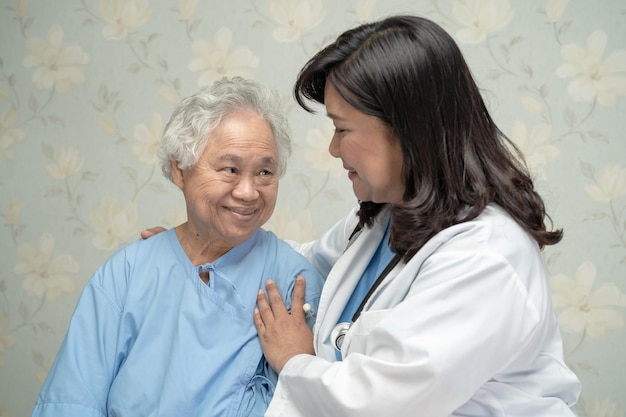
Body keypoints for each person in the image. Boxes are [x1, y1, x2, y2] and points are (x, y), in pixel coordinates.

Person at [250, 15, 581, 417]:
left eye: (342, 129)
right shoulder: (387, 218)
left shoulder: (488, 255)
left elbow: (384, 401)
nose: (334, 150)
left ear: (407, 130)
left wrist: (294, 359)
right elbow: (303, 262)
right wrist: (201, 246)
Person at [30, 77, 325, 417]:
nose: (248, 191)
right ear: (180, 170)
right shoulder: (128, 272)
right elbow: (71, 401)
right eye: (230, 169)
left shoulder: (293, 283)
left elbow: (306, 402)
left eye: (265, 172)